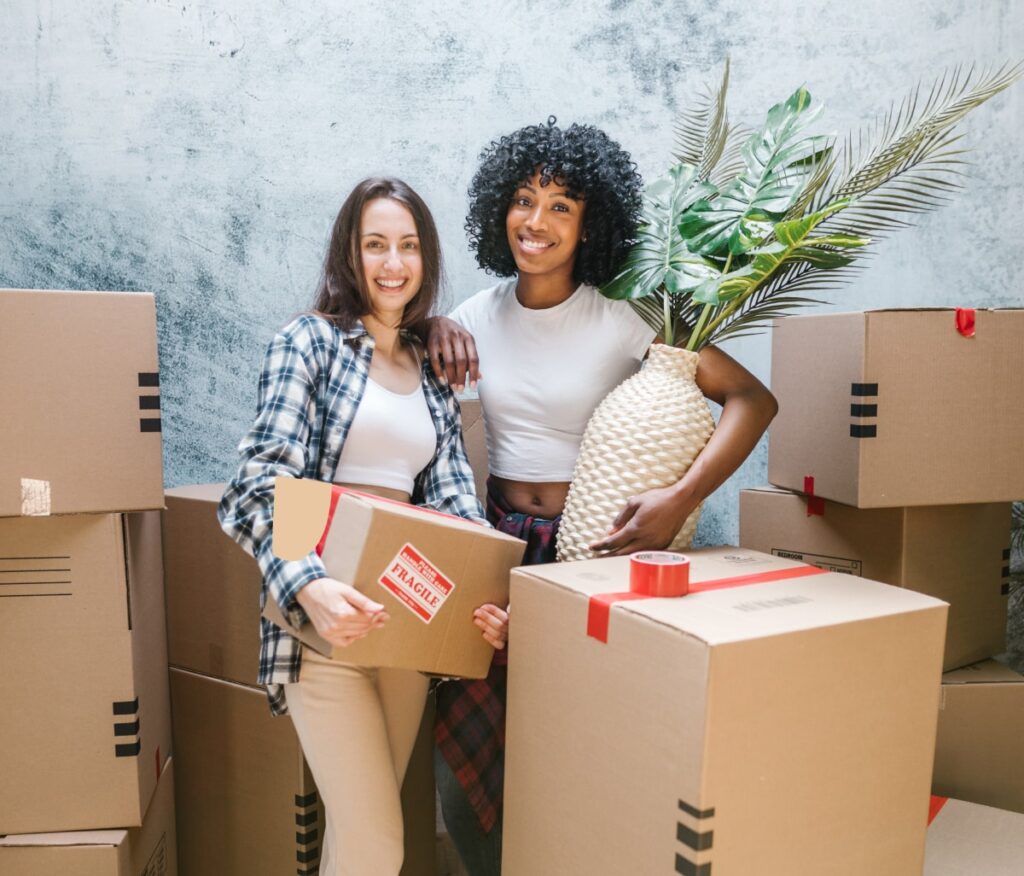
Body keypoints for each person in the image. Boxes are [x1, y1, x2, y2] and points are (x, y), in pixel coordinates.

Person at [427, 119, 779, 875]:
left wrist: (681, 500)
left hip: (595, 552)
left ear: (592, 223)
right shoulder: (470, 320)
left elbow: (752, 399)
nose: (537, 220)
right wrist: (425, 325)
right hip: (495, 545)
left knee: (582, 747)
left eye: (562, 205)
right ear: (500, 209)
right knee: (467, 764)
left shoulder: (624, 317)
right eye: (524, 199)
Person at [217, 177, 509, 876]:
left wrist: (484, 598)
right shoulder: (309, 345)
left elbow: (454, 506)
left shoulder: (432, 374)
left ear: (425, 259)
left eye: (408, 246)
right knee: (381, 845)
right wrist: (309, 589)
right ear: (350, 253)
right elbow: (261, 486)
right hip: (324, 630)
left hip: (406, 631)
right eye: (375, 244)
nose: (392, 263)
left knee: (356, 844)